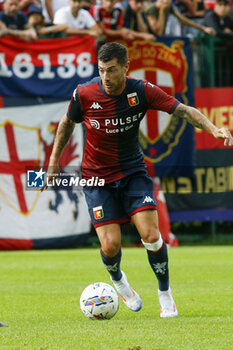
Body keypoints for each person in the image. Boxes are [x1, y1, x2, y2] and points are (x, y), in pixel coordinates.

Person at [42, 42, 233, 317]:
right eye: (101, 70)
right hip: (97, 178)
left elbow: (184, 110)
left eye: (112, 70)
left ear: (125, 68)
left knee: (152, 236)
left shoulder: (141, 90)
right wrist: (52, 162)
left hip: (133, 173)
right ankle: (118, 280)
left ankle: (165, 294)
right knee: (110, 245)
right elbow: (66, 124)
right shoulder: (84, 93)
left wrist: (213, 129)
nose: (106, 77)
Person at [145, 0, 216, 36]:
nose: (166, 1)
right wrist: (162, 12)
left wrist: (203, 28)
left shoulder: (169, 7)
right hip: (147, 38)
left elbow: (183, 20)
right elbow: (158, 33)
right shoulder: (151, 9)